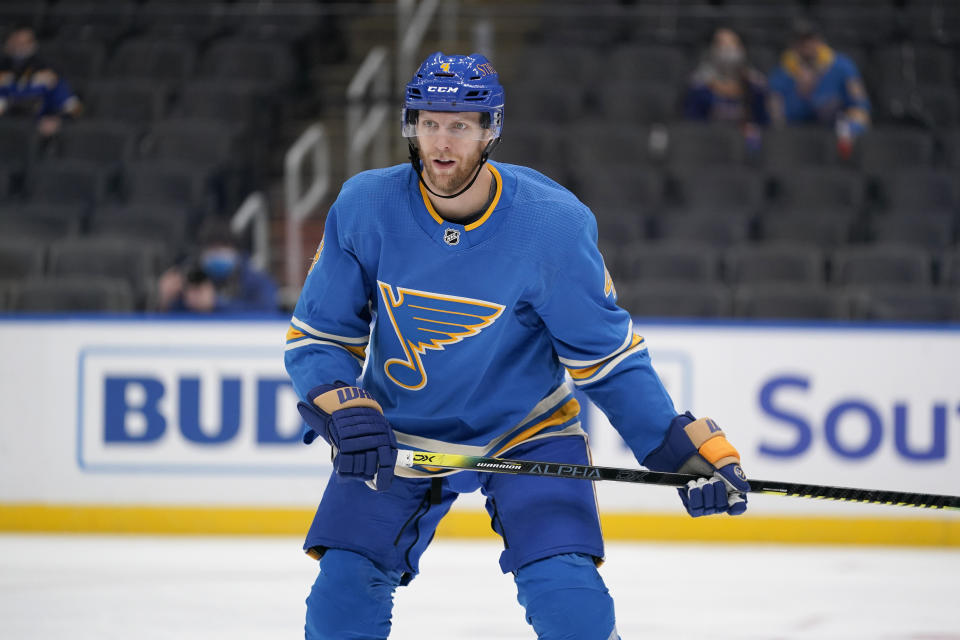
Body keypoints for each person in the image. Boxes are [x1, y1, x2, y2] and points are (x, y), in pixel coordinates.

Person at [285, 52, 750, 640]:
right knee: (341, 599)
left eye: (459, 125)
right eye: (428, 123)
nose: (441, 142)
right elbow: (319, 337)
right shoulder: (365, 205)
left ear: (490, 130)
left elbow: (608, 361)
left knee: (569, 601)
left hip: (525, 431)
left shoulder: (551, 224)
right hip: (398, 431)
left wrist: (679, 446)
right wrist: (343, 404)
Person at [767, 20, 871, 159]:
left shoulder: (843, 67)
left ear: (820, 41)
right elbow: (777, 121)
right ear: (793, 45)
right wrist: (802, 93)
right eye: (801, 41)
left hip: (836, 139)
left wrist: (850, 129)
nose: (807, 46)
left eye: (810, 39)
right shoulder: (781, 74)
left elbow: (860, 107)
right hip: (797, 143)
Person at [157, 220, 278, 313]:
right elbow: (173, 323)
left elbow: (267, 313)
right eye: (212, 248)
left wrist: (215, 304)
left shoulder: (258, 281)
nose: (218, 253)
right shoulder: (193, 277)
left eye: (224, 247)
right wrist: (165, 301)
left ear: (236, 250)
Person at [683, 27, 768, 152]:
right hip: (709, 147)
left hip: (744, 148)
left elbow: (764, 124)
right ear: (714, 50)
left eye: (733, 44)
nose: (729, 50)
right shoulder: (699, 86)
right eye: (723, 45)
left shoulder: (754, 85)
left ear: (742, 49)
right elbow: (692, 126)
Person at [0, 26, 81, 137]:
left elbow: (75, 109)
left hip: (34, 137)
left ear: (34, 45)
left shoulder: (47, 77)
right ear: (8, 43)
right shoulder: (3, 74)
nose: (19, 47)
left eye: (26, 42)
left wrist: (58, 121)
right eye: (16, 41)